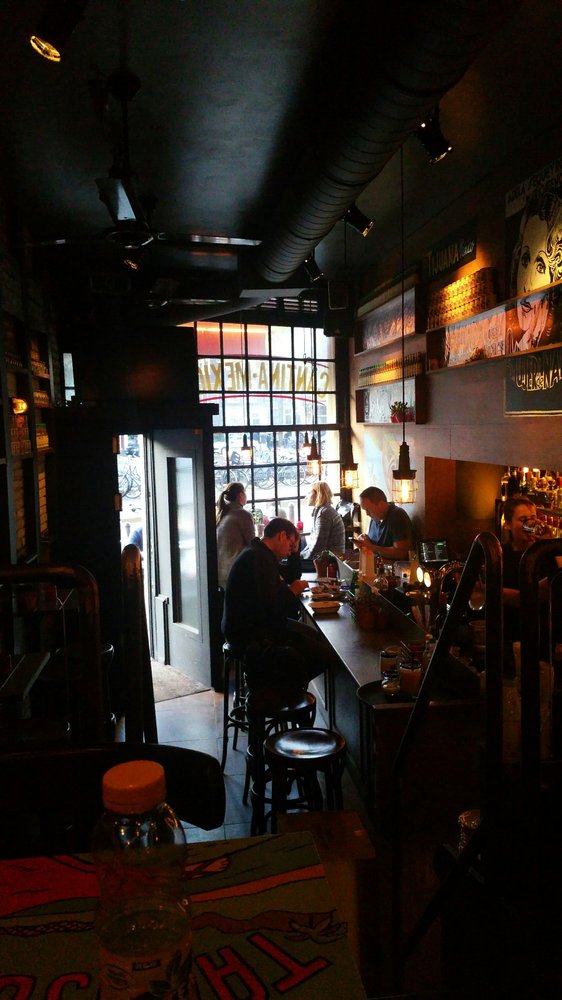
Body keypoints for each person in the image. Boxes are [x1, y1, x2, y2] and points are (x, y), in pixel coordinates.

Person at [222, 517, 335, 689]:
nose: (290, 552)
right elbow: (273, 607)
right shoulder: (257, 559)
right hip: (249, 633)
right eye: (290, 546)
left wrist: (295, 550)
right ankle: (281, 692)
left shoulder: (260, 553)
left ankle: (288, 689)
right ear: (282, 536)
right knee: (322, 654)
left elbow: (290, 575)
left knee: (315, 637)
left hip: (252, 624)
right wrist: (292, 591)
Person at [501, 495, 555, 652]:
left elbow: (550, 587)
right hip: (510, 634)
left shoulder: (543, 553)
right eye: (523, 519)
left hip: (541, 634)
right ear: (508, 525)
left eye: (533, 518)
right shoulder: (500, 554)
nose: (530, 524)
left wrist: (549, 543)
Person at [356, 486, 413, 562]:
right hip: (374, 564)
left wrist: (371, 547)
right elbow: (374, 543)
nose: (367, 514)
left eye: (368, 509)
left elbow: (401, 553)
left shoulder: (397, 516)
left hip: (393, 568)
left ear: (381, 504)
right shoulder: (375, 518)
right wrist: (364, 540)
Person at [216, 482, 255, 589]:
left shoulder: (222, 514)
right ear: (240, 495)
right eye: (245, 493)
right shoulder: (243, 514)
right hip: (236, 573)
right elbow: (253, 545)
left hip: (221, 574)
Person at [300, 481, 346, 561]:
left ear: (318, 494)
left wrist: (301, 557)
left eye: (309, 493)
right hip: (326, 558)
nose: (306, 497)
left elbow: (318, 546)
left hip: (329, 562)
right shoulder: (323, 510)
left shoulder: (324, 513)